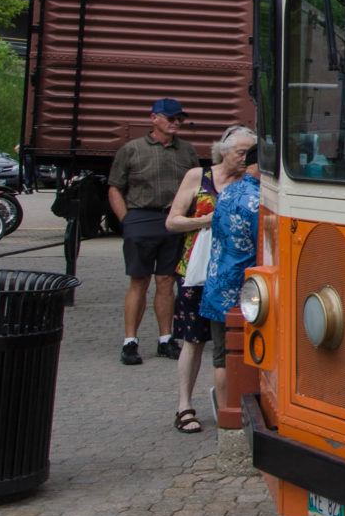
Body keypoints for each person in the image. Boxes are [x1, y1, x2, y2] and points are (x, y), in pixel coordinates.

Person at [163, 126, 255, 433]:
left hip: (229, 275)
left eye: (250, 154)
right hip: (196, 269)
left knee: (226, 343)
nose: (245, 159)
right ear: (224, 152)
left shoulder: (250, 183)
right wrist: (207, 220)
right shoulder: (197, 177)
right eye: (241, 152)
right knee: (193, 339)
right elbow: (172, 220)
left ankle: (231, 404)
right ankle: (184, 405)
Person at [106, 98, 201, 365]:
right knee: (139, 280)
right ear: (154, 118)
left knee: (166, 281)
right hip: (141, 218)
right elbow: (115, 187)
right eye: (170, 118)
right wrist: (127, 221)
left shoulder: (187, 151)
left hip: (174, 220)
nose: (175, 123)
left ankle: (165, 338)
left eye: (179, 118)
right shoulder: (132, 149)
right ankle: (130, 341)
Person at [196, 127, 262, 420]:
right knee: (240, 357)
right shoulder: (257, 200)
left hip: (216, 282)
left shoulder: (227, 193)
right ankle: (236, 417)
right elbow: (263, 248)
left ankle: (225, 415)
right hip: (243, 291)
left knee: (221, 358)